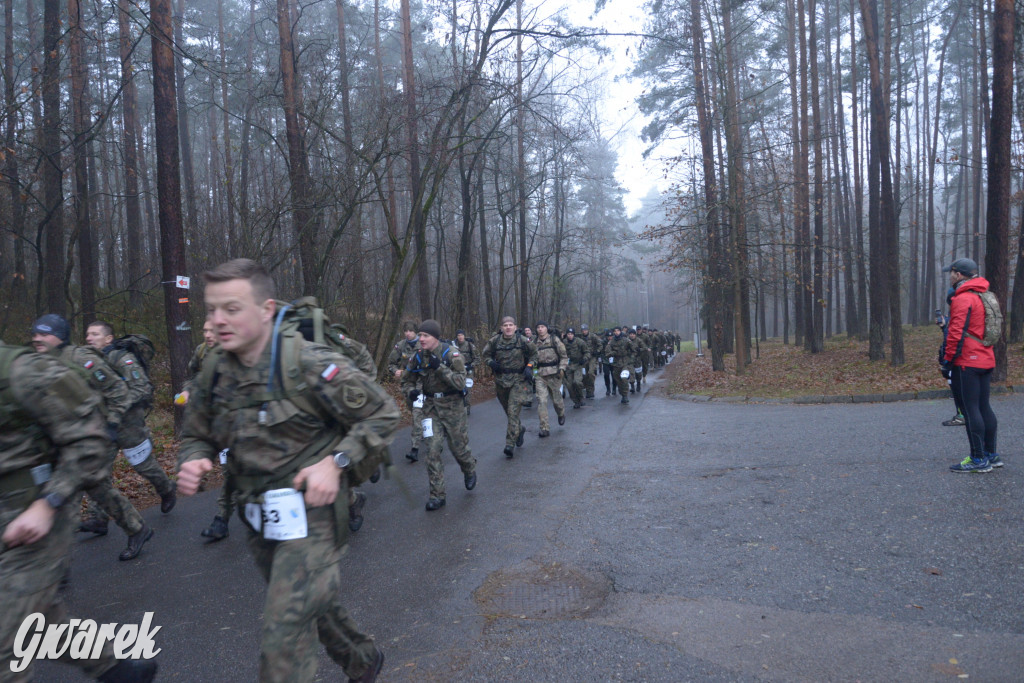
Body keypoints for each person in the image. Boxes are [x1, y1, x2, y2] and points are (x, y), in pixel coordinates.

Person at [177, 259, 396, 682]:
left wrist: (337, 463)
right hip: (259, 516)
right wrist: (192, 457)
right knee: (310, 605)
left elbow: (383, 414)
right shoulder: (214, 371)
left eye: (233, 308)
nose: (219, 320)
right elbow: (196, 433)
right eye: (211, 309)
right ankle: (362, 659)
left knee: (283, 634)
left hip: (315, 514)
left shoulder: (309, 363)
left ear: (266, 309)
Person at [0, 341, 158, 682]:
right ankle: (115, 670)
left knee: (6, 641)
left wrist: (49, 502)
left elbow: (94, 429)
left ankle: (138, 523)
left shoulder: (27, 371)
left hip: (34, 519)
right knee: (37, 621)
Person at [31, 316, 154, 562]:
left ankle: (58, 566)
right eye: (35, 334)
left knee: (64, 497)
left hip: (86, 440)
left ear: (60, 336)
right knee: (98, 489)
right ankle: (137, 528)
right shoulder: (36, 362)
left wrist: (111, 424)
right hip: (59, 441)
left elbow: (118, 392)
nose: (37, 338)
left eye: (44, 334)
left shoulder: (81, 359)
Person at [86, 321, 177, 515]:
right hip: (105, 424)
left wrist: (118, 405)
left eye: (94, 334)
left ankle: (167, 489)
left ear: (108, 338)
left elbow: (141, 388)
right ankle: (98, 518)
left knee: (143, 465)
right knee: (99, 470)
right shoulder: (92, 361)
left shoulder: (122, 358)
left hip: (129, 423)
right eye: (88, 334)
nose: (89, 338)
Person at [401, 320, 476, 511]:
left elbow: (461, 382)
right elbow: (407, 380)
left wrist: (439, 367)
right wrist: (410, 392)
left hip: (453, 408)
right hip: (430, 408)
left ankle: (469, 469)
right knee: (432, 451)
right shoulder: (418, 356)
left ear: (435, 337)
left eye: (425, 336)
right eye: (420, 335)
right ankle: (437, 495)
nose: (421, 339)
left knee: (459, 449)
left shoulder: (451, 353)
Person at [942, 258, 1000, 473]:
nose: (950, 275)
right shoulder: (986, 294)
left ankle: (978, 459)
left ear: (959, 274)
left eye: (952, 272)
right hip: (986, 357)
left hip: (967, 360)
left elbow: (955, 332)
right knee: (984, 406)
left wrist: (948, 361)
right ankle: (991, 455)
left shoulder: (964, 298)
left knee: (969, 409)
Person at [481, 317, 537, 458]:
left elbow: (534, 354)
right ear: (501, 328)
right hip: (501, 381)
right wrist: (491, 363)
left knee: (513, 413)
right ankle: (520, 429)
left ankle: (509, 444)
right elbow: (485, 355)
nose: (508, 327)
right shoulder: (495, 341)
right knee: (509, 412)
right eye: (505, 325)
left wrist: (530, 367)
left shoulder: (523, 341)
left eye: (510, 325)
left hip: (518, 381)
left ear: (515, 326)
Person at [388, 321, 423, 463]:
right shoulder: (401, 346)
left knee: (417, 413)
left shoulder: (423, 344)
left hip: (422, 384)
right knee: (414, 410)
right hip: (407, 384)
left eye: (410, 330)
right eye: (405, 331)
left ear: (415, 331)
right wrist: (395, 371)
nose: (407, 333)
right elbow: (391, 363)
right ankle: (429, 430)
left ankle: (415, 449)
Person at [935, 288, 966, 427]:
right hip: (963, 359)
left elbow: (952, 340)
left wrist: (947, 362)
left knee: (958, 390)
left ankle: (962, 415)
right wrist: (943, 326)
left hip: (957, 360)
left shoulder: (958, 315)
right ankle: (964, 414)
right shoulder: (955, 316)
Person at [532, 322, 567, 437]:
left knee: (557, 400)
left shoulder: (554, 340)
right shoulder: (534, 342)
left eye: (542, 327)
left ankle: (561, 413)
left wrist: (561, 369)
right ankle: (544, 427)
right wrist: (533, 373)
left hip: (554, 374)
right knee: (541, 401)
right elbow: (531, 359)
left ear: (547, 328)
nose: (540, 329)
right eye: (538, 327)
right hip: (540, 376)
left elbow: (563, 356)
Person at [604, 326, 634, 404]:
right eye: (615, 331)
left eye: (618, 331)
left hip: (625, 363)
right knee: (618, 381)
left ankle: (625, 395)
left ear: (620, 331)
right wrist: (613, 353)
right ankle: (622, 394)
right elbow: (607, 353)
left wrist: (631, 359)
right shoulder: (611, 342)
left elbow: (634, 350)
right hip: (616, 364)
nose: (616, 332)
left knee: (624, 378)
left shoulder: (626, 340)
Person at [563, 327, 590, 409]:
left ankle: (581, 398)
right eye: (568, 334)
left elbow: (587, 352)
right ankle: (576, 401)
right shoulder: (564, 343)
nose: (570, 336)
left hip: (578, 364)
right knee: (569, 385)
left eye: (571, 334)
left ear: (574, 334)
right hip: (568, 366)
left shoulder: (580, 342)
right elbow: (560, 353)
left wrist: (584, 359)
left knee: (577, 382)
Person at [452, 330, 477, 415]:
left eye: (461, 335)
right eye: (458, 335)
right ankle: (459, 408)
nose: (460, 337)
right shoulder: (454, 346)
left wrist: (471, 365)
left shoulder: (470, 346)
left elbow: (477, 359)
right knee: (457, 389)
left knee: (467, 390)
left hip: (468, 371)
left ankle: (467, 408)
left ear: (464, 336)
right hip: (457, 371)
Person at [578, 324, 600, 400]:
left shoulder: (593, 336)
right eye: (583, 330)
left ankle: (591, 390)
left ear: (588, 330)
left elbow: (600, 344)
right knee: (584, 375)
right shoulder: (580, 338)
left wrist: (597, 351)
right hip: (584, 358)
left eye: (585, 330)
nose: (584, 332)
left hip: (592, 358)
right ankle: (587, 389)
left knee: (590, 373)